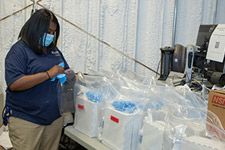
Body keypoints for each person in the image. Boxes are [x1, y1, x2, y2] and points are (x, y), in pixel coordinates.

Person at [4, 8, 71, 150]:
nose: (51, 36)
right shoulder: (19, 51)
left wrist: (73, 76)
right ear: (35, 28)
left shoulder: (53, 51)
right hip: (27, 120)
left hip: (53, 118)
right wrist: (48, 74)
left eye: (53, 33)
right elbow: (14, 83)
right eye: (47, 31)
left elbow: (66, 71)